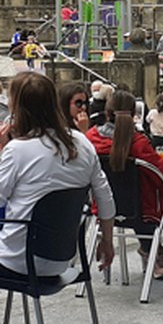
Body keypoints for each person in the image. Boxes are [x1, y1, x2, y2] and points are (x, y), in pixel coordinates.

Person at [0, 72, 115, 278]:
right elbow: (105, 196)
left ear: (17, 107)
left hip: (17, 259)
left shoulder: (17, 150)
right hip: (61, 259)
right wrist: (107, 240)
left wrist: (2, 152)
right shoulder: (82, 143)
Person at [87, 90, 163, 286]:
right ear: (134, 114)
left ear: (107, 112)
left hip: (105, 212)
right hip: (143, 212)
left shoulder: (91, 138)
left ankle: (156, 252)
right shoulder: (138, 142)